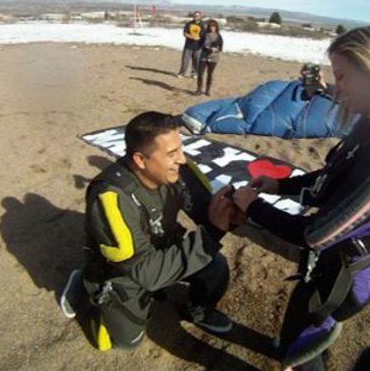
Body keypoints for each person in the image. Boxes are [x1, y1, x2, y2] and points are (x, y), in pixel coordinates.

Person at [233, 27, 370, 370]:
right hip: (330, 265)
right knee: (297, 321)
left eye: (342, 76)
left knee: (305, 347)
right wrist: (278, 186)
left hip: (347, 278)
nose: (336, 87)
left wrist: (253, 206)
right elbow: (331, 180)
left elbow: (316, 234)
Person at [65, 112, 241, 351]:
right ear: (140, 159)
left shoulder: (179, 169)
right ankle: (86, 287)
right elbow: (146, 273)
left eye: (181, 148)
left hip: (159, 247)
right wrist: (211, 234)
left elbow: (206, 213)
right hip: (126, 270)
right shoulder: (111, 198)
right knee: (124, 343)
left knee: (215, 265)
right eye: (171, 153)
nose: (181, 158)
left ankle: (197, 310)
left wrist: (231, 212)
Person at [196, 19, 224, 96]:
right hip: (204, 55)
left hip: (214, 57)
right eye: (211, 26)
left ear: (216, 27)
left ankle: (207, 90)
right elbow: (199, 44)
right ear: (208, 27)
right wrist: (205, 47)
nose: (212, 28)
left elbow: (221, 47)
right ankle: (199, 89)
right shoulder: (204, 34)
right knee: (200, 73)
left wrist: (216, 49)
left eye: (214, 26)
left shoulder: (219, 36)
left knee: (210, 74)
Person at [177, 11, 204, 78]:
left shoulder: (203, 25)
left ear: (200, 17)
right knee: (185, 61)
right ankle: (182, 73)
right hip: (188, 46)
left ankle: (194, 73)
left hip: (198, 46)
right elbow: (185, 33)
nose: (196, 17)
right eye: (195, 16)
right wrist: (192, 37)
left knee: (196, 61)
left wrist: (200, 38)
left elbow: (204, 35)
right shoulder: (189, 24)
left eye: (197, 16)